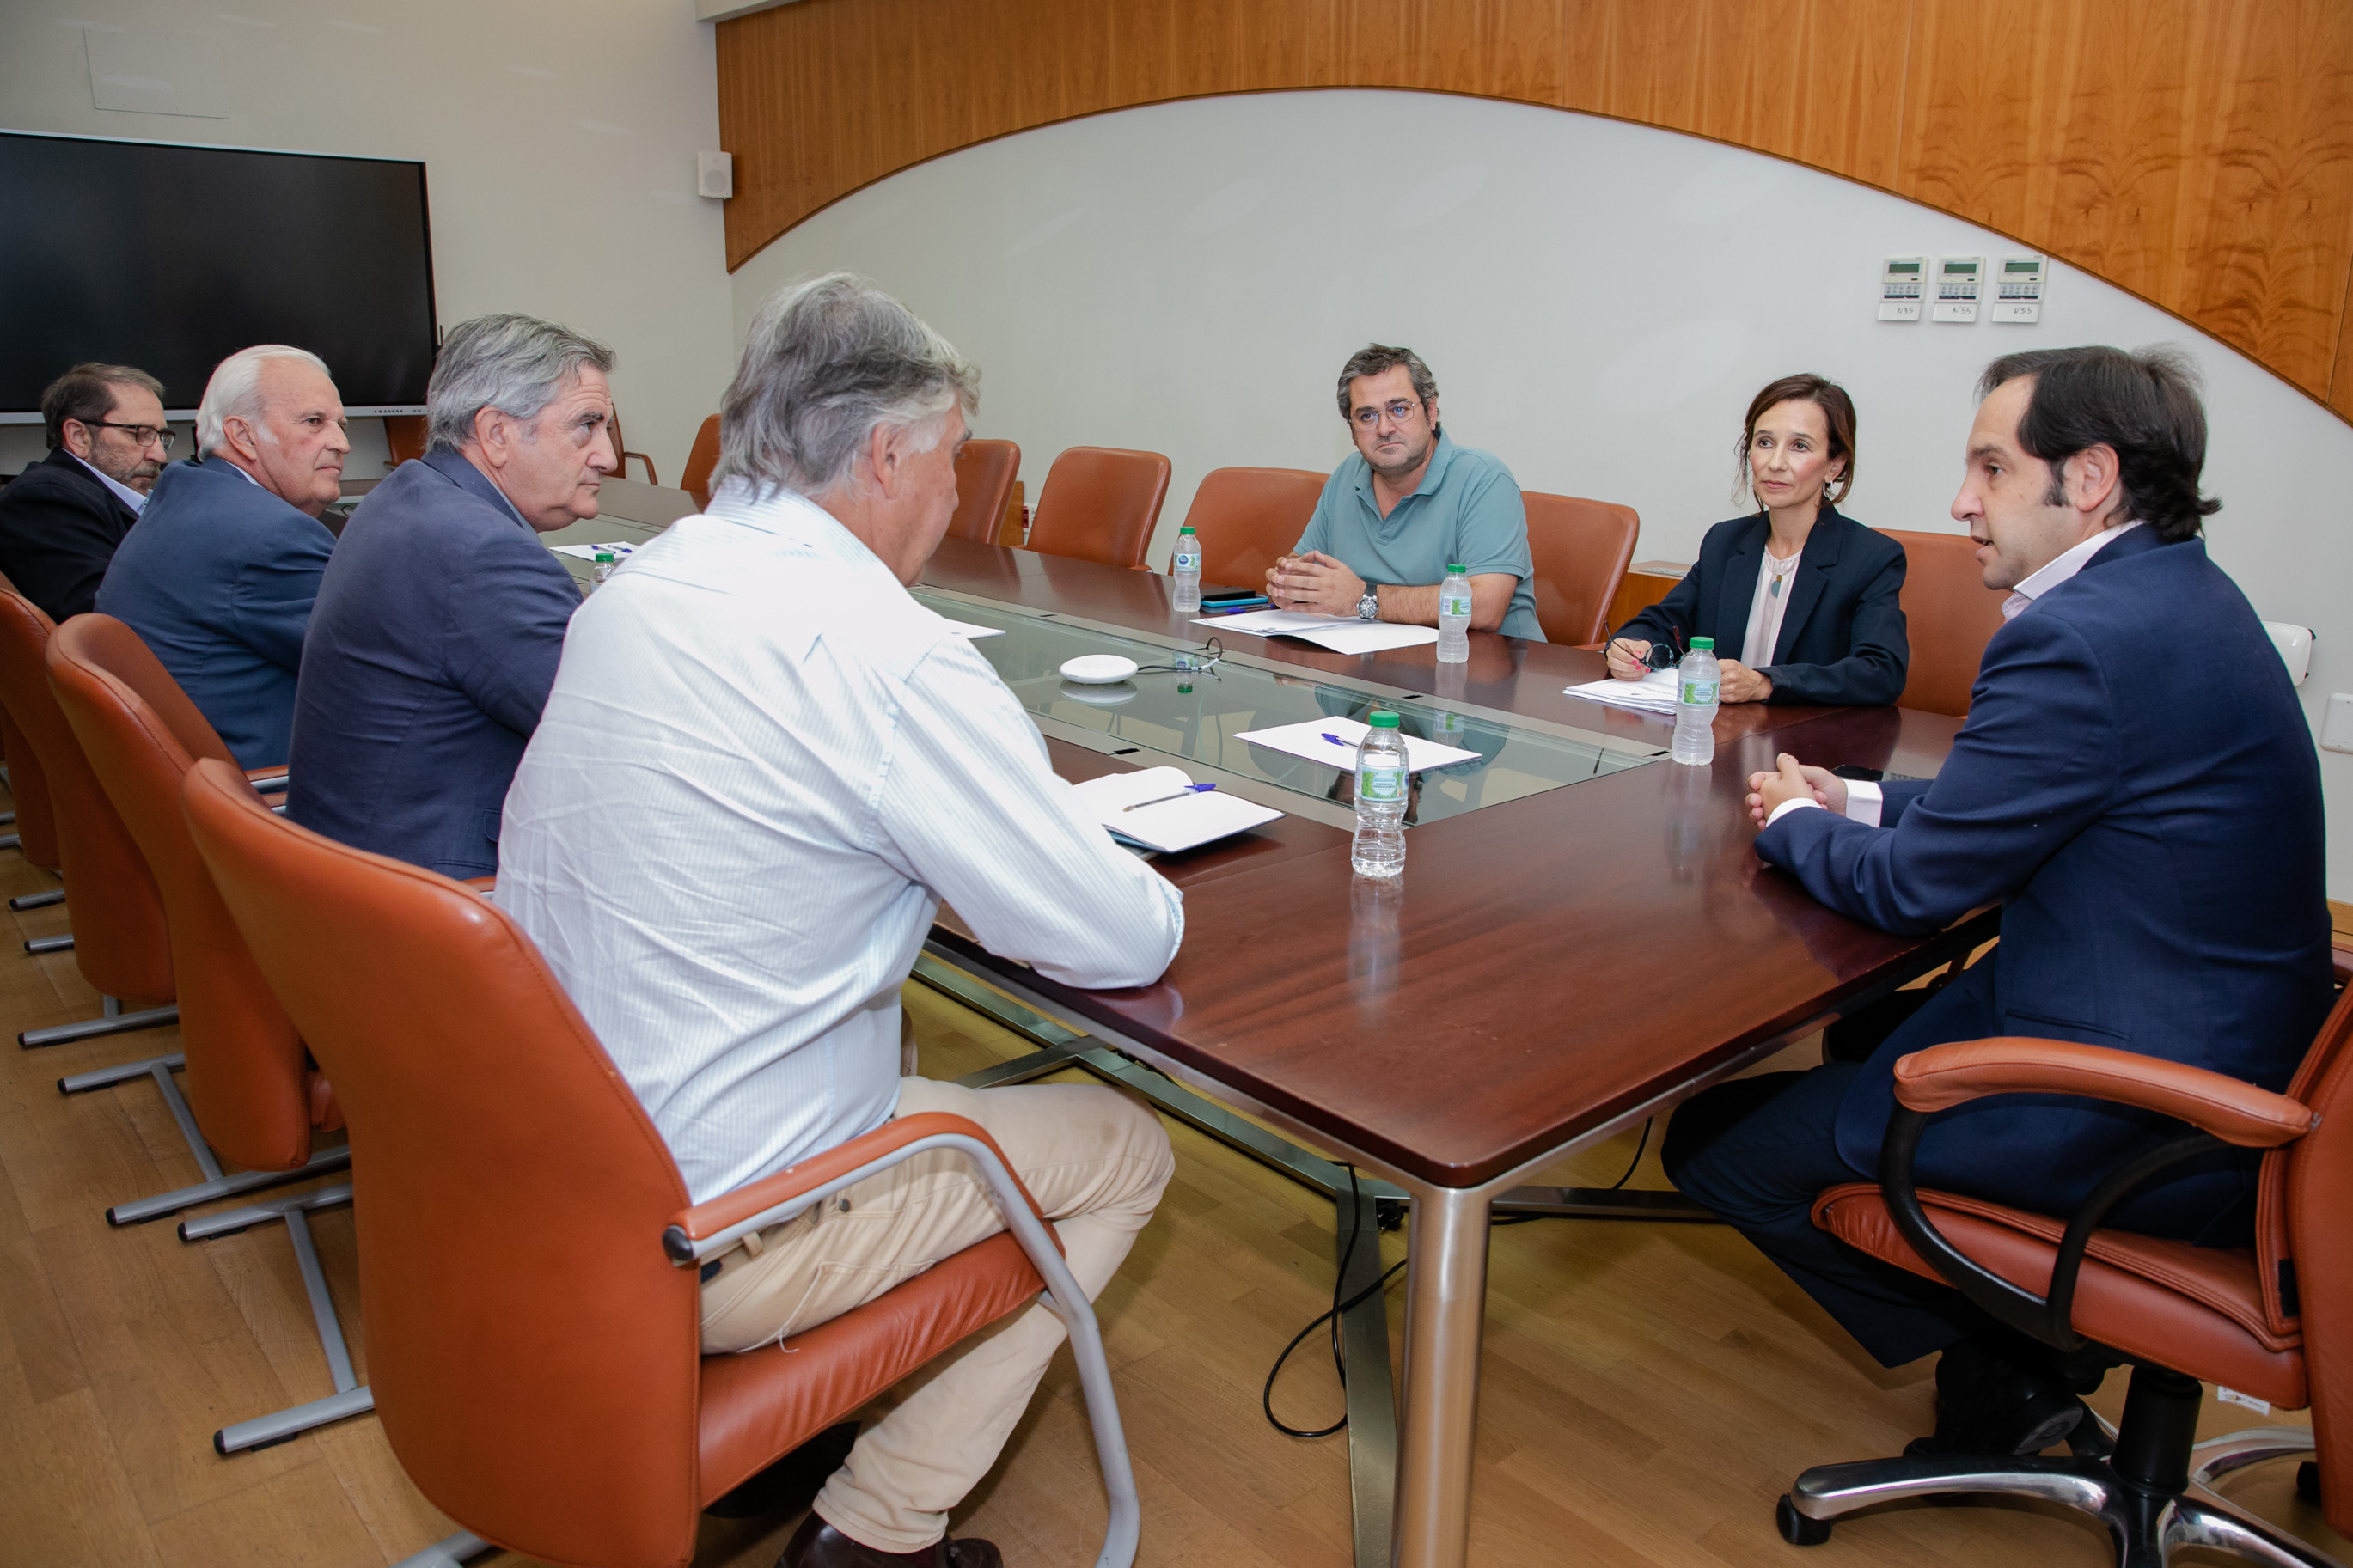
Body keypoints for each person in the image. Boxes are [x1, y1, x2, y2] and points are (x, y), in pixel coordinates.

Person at [498, 274, 1182, 1568]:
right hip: (706, 1224)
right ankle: (879, 1528)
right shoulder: (888, 651)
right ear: (883, 454)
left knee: (899, 1025)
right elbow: (1123, 939)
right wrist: (1078, 832)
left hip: (551, 1157)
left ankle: (807, 1424)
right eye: (956, 463)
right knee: (1125, 1147)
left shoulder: (647, 577)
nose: (956, 494)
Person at [1662, 345, 2333, 1457]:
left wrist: (1789, 823)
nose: (1959, 502)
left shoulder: (2070, 637)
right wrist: (1857, 796)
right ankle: (2015, 1356)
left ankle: (2024, 1356)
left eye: (1988, 467)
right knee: (1863, 1034)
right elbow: (2034, 798)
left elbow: (1918, 891)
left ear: (2088, 477)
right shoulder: (2179, 593)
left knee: (1719, 1144)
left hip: (2142, 1106)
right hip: (2236, 1041)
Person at [287, 314, 609, 878]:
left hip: (347, 864)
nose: (606, 455)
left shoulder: (406, 495)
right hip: (428, 893)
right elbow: (616, 738)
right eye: (587, 426)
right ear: (496, 434)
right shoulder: (481, 552)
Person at [95, 346, 344, 768]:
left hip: (178, 785)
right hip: (261, 799)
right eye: (314, 422)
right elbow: (383, 668)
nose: (341, 443)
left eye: (341, 423)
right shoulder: (271, 536)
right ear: (243, 436)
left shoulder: (188, 496)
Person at [1607, 374, 1907, 705]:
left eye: (1799, 446)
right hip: (1721, 734)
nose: (1775, 463)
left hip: (1808, 743)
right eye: (1765, 442)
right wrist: (1632, 645)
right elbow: (1664, 622)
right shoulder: (1726, 541)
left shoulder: (1871, 557)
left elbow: (1881, 671)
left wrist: (1767, 682)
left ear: (1834, 465)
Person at [1266, 344, 1544, 640]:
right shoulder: (1349, 474)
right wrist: (1289, 585)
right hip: (1373, 665)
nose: (1384, 428)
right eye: (1367, 417)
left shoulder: (1484, 479)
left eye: (1399, 410)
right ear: (1351, 430)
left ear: (1431, 411)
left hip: (1482, 669)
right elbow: (1302, 564)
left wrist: (1361, 598)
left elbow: (1485, 607)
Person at [0, 363, 170, 622]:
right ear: (79, 436)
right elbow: (102, 616)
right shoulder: (45, 498)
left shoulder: (137, 499)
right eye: (140, 434)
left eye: (161, 436)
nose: (159, 454)